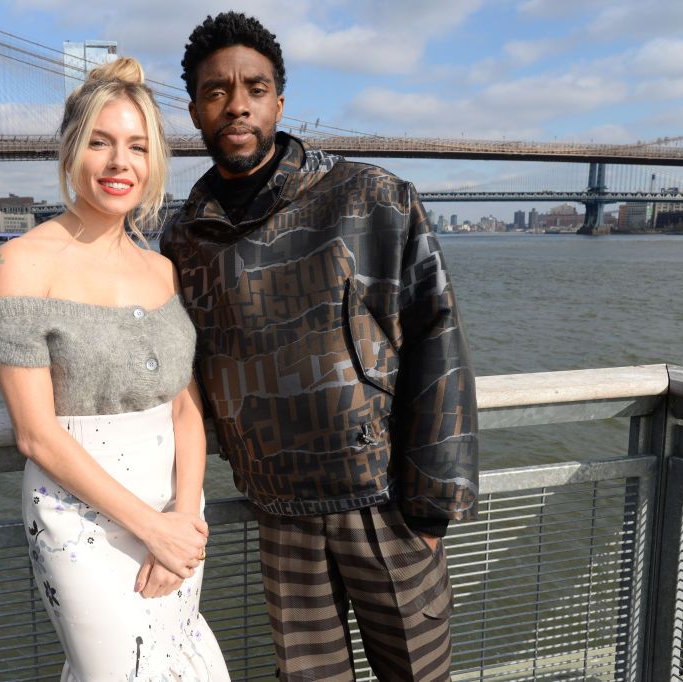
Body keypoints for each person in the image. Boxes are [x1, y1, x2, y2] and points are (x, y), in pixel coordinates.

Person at [160, 13, 479, 682]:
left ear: (280, 99)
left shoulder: (372, 196)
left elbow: (437, 340)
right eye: (217, 91)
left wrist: (431, 509)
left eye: (256, 86)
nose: (238, 103)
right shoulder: (184, 236)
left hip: (385, 503)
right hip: (277, 512)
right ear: (194, 109)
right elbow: (174, 372)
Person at [0, 57, 230, 681]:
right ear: (69, 152)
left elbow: (185, 406)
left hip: (173, 510)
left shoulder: (160, 269)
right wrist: (153, 529)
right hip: (78, 516)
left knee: (180, 663)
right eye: (100, 143)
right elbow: (35, 433)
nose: (120, 163)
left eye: (138, 147)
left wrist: (186, 518)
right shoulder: (22, 263)